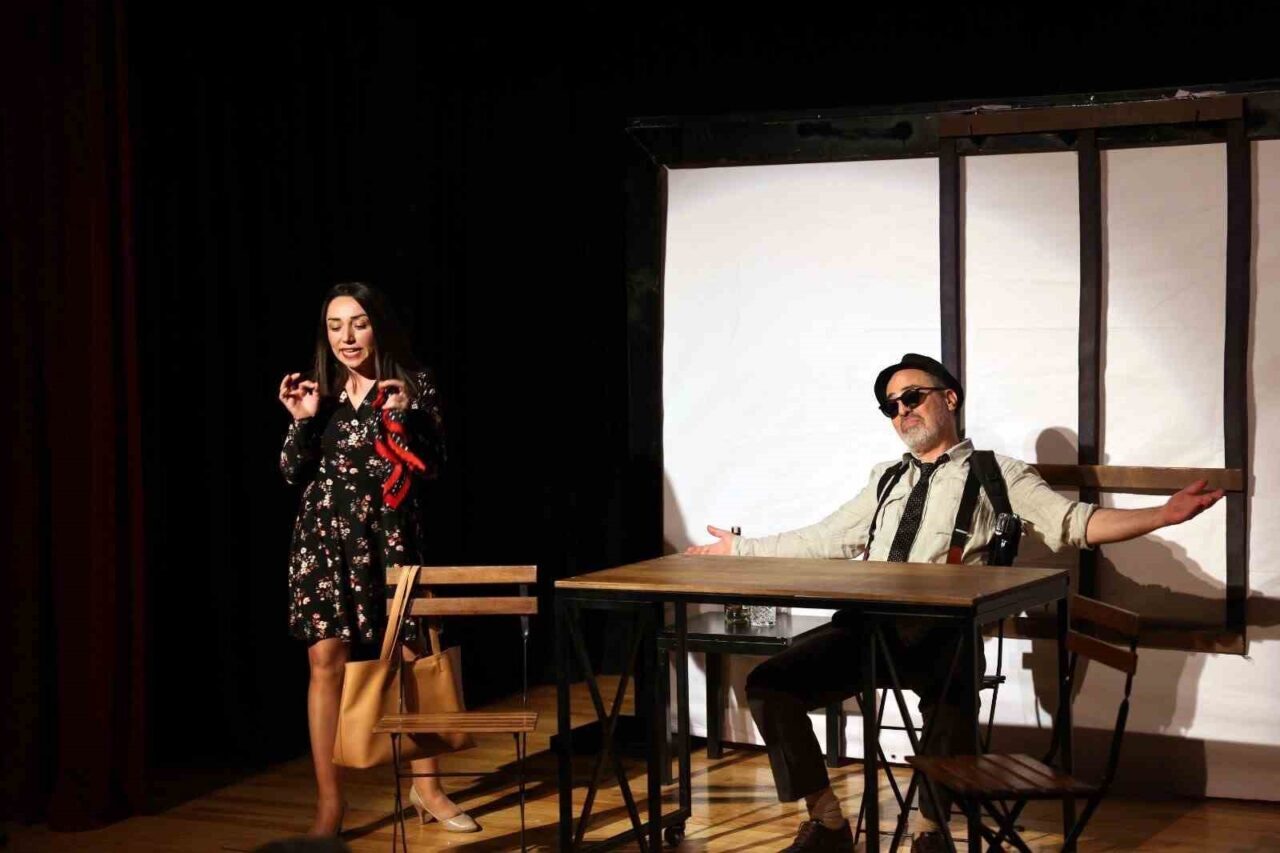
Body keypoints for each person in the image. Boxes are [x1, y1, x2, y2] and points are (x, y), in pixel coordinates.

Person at [686, 353, 1223, 853]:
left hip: (943, 634)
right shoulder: (886, 477)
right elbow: (824, 538)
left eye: (912, 397)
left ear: (949, 398)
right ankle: (827, 821)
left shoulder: (997, 474)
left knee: (953, 694)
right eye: (891, 406)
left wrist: (1162, 515)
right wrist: (740, 549)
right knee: (771, 686)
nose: (902, 411)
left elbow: (1073, 523)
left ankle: (930, 831)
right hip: (868, 628)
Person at [278, 282, 478, 837]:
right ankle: (330, 805)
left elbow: (434, 466)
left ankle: (428, 787)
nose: (346, 336)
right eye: (335, 325)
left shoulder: (412, 386)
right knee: (325, 664)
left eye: (358, 323)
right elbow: (292, 472)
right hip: (324, 544)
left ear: (378, 327)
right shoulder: (318, 393)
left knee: (413, 657)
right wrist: (301, 419)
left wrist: (406, 417)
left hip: (391, 539)